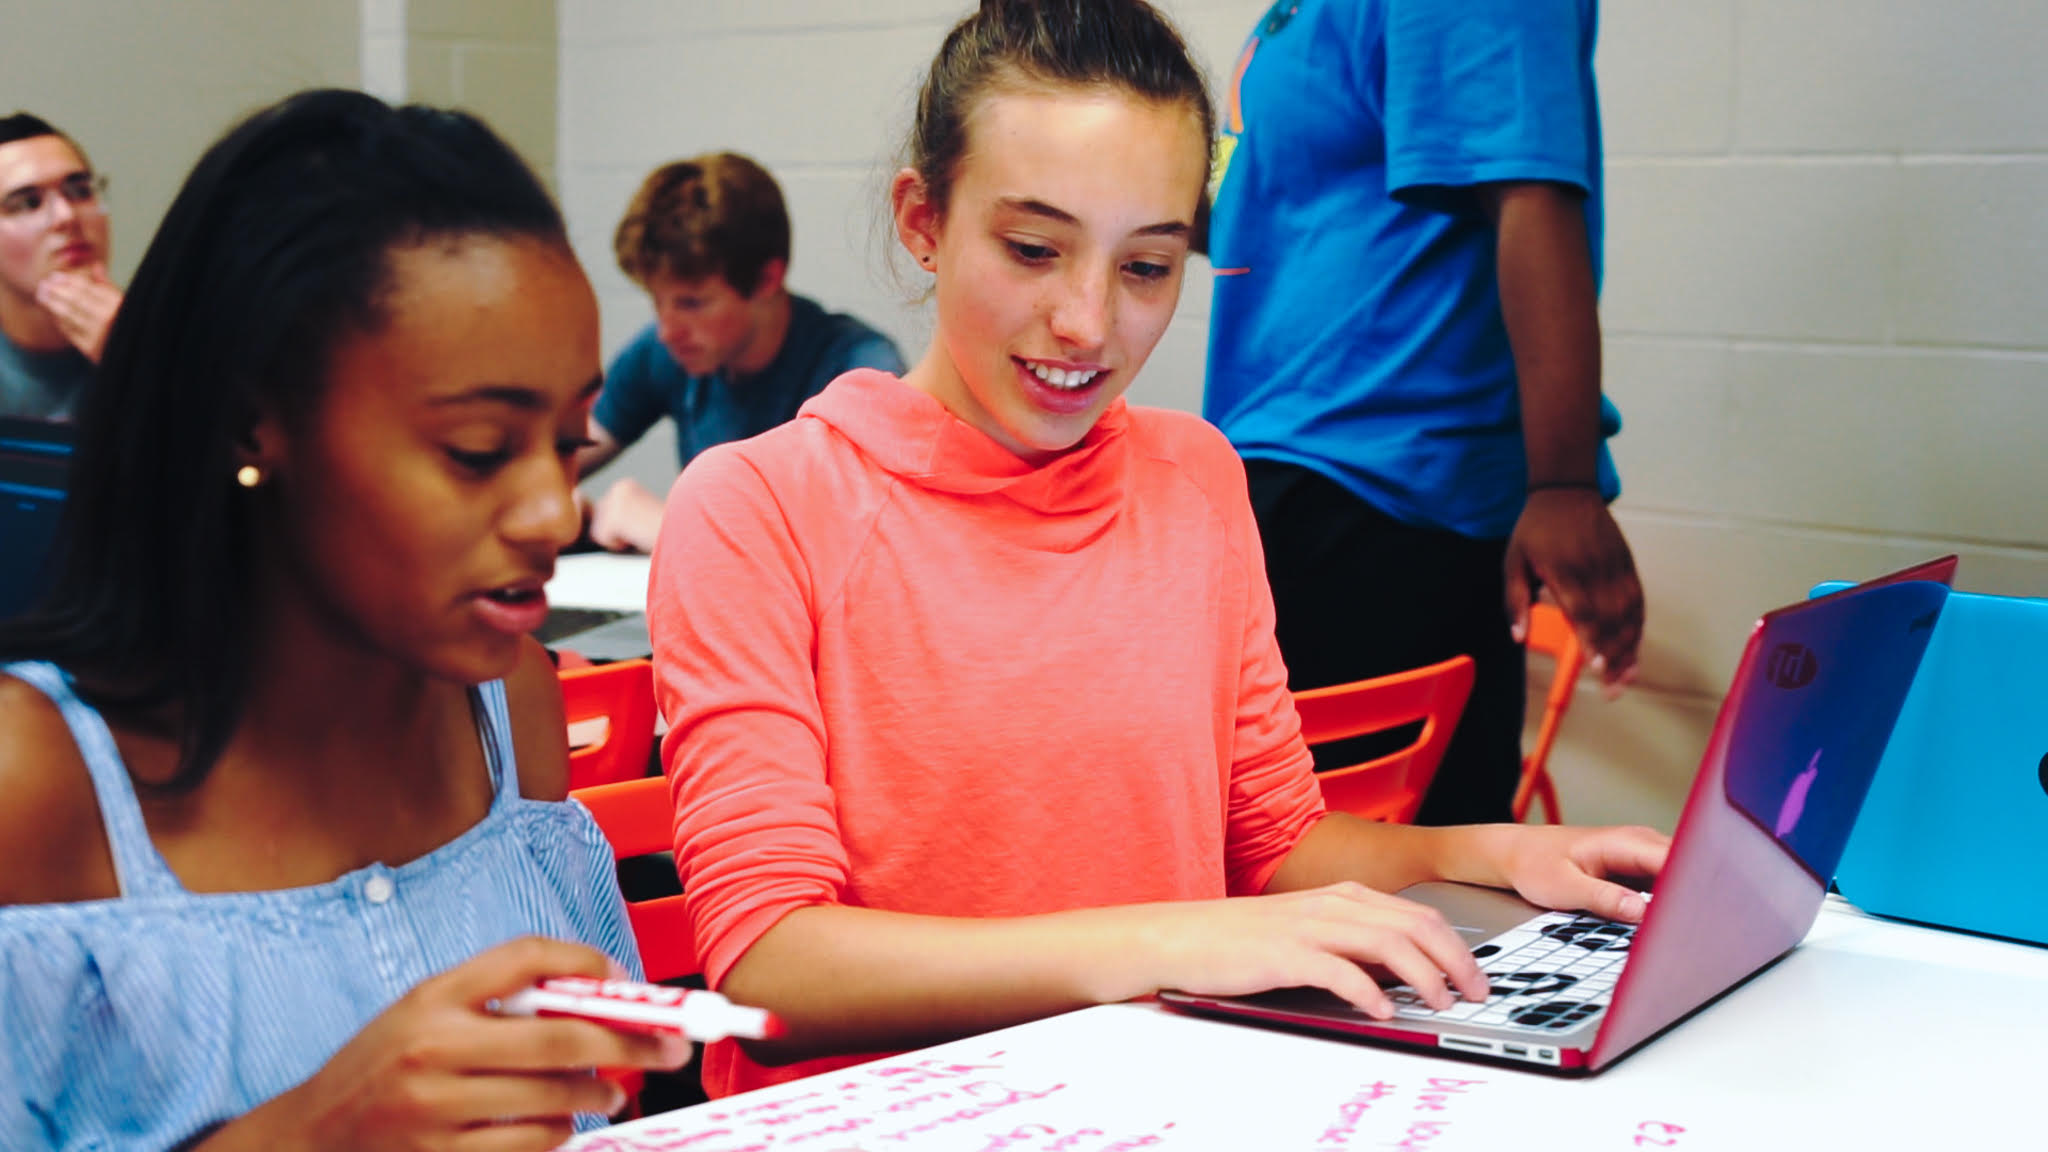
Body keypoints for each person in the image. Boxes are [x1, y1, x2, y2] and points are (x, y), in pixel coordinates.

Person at [649, 0, 1669, 1100]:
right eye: (1033, 249)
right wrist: (1171, 945)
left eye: (1146, 267)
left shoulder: (1194, 480)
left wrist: (1488, 855)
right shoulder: (758, 505)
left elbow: (1274, 843)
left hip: (1158, 1100)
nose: (1086, 322)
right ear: (923, 220)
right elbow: (771, 961)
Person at [0, 90, 688, 1150]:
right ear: (249, 422)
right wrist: (312, 1133)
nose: (555, 512)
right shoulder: (40, 788)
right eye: (475, 451)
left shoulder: (507, 708)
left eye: (565, 439)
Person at [1202, 0, 1646, 826]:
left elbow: (1531, 193)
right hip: (1281, 477)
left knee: (1387, 900)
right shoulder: (1292, 19)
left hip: (1381, 495)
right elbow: (1247, 208)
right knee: (1277, 887)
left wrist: (1562, 486)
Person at [576, 151, 905, 553]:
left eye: (692, 303)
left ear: (767, 279)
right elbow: (569, 452)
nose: (667, 330)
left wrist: (671, 527)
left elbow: (855, 548)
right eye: (657, 301)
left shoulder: (860, 370)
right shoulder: (669, 351)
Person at [0, 112, 121, 419]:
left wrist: (136, 356)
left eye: (80, 192)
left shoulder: (173, 338)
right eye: (29, 203)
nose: (67, 216)